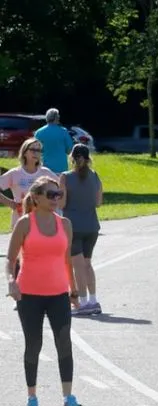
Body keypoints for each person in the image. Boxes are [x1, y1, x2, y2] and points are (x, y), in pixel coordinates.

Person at [5, 176, 84, 406]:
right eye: (51, 195)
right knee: (34, 344)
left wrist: (73, 290)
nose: (56, 199)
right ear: (36, 198)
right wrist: (10, 281)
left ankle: (68, 400)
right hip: (29, 294)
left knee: (64, 343)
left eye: (58, 194)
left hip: (58, 293)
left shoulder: (65, 224)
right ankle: (32, 398)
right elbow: (10, 259)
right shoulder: (25, 224)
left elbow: (66, 260)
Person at [0, 138, 59, 282]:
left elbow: (59, 188)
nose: (36, 153)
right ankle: (17, 287)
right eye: (33, 149)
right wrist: (10, 203)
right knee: (18, 256)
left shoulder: (45, 173)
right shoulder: (15, 174)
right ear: (24, 152)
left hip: (42, 222)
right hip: (20, 221)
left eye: (39, 150)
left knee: (41, 255)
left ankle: (41, 285)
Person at [60, 144, 103, 315]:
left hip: (73, 226)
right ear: (88, 158)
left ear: (71, 158)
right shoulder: (95, 175)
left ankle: (83, 302)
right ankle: (93, 300)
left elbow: (62, 203)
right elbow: (98, 202)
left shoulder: (65, 177)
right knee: (87, 264)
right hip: (91, 226)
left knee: (77, 266)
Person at [33, 108, 73, 174]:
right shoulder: (63, 131)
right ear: (57, 118)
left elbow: (35, 151)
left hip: (44, 167)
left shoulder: (39, 132)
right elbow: (69, 150)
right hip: (61, 167)